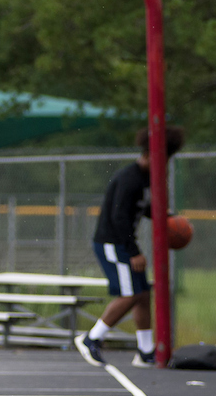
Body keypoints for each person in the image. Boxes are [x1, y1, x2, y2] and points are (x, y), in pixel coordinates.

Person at [77, 125, 185, 368]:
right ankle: (91, 338)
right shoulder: (129, 179)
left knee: (143, 293)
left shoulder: (147, 179)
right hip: (112, 242)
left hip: (122, 242)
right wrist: (134, 250)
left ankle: (146, 350)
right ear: (148, 155)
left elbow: (143, 207)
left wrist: (166, 217)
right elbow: (119, 217)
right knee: (132, 294)